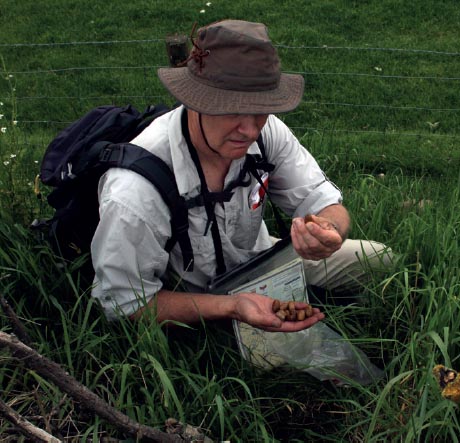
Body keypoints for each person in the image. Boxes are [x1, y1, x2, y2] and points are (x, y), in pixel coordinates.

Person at [90, 19, 392, 331]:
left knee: (380, 260)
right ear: (196, 101)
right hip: (192, 298)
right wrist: (232, 307)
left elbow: (324, 202)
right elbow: (123, 303)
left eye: (260, 110)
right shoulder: (135, 189)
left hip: (261, 264)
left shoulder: (267, 132)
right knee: (283, 363)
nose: (249, 130)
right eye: (232, 111)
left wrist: (330, 232)